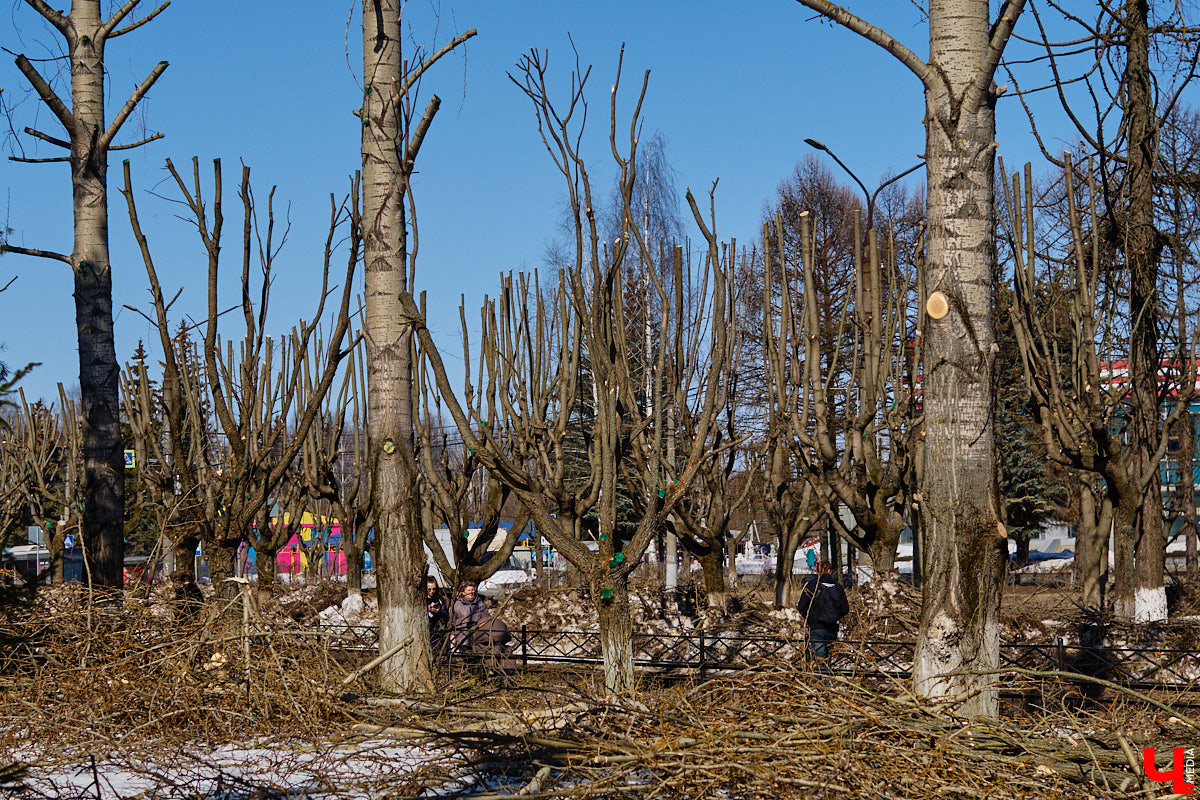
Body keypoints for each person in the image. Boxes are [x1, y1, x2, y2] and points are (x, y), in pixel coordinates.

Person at [796, 560, 849, 663]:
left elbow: (801, 606)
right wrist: (836, 616)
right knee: (829, 658)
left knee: (820, 659)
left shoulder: (811, 586)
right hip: (832, 628)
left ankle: (822, 678)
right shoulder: (838, 588)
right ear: (830, 571)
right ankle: (828, 677)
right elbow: (845, 608)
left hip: (816, 627)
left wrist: (809, 618)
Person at [451, 581, 491, 653]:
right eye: (469, 590)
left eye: (472, 590)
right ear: (463, 592)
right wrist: (452, 634)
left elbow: (486, 618)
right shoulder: (458, 604)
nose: (471, 592)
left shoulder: (480, 603)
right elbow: (452, 621)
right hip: (462, 636)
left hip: (477, 636)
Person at [426, 576, 449, 653]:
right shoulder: (423, 600)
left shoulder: (440, 599)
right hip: (427, 631)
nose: (432, 591)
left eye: (434, 589)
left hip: (438, 631)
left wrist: (438, 612)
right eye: (429, 589)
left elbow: (446, 615)